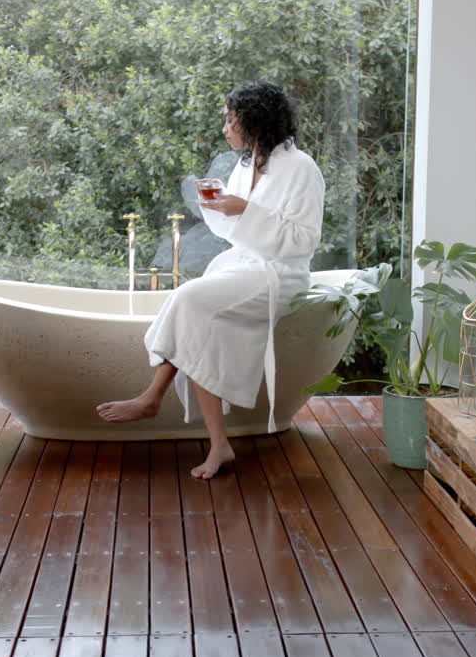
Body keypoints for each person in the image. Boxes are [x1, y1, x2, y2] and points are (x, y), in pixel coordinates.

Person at [96, 81, 325, 479]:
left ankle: (152, 397)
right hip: (243, 265)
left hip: (280, 275)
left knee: (188, 299)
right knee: (200, 329)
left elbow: (303, 241)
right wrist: (219, 206)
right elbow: (231, 230)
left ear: (254, 121)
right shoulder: (247, 164)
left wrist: (245, 210)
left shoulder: (302, 169)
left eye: (231, 120)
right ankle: (220, 447)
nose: (225, 128)